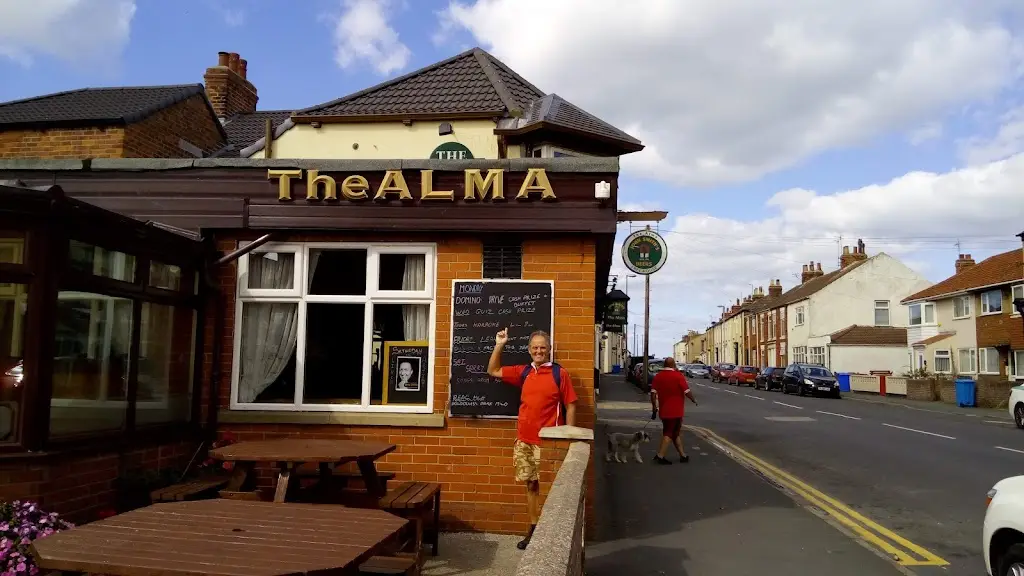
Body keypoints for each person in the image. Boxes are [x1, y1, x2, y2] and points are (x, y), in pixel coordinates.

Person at [488, 327, 578, 550]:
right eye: (535, 347)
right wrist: (500, 344)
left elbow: (571, 405)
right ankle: (533, 529)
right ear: (529, 350)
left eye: (543, 348)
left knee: (552, 488)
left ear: (549, 350)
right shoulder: (524, 372)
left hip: (548, 443)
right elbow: (493, 370)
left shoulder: (560, 374)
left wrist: (568, 435)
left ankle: (553, 534)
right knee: (531, 486)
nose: (539, 351)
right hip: (524, 441)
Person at [649, 356, 697, 464]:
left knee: (674, 433)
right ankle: (660, 456)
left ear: (664, 365)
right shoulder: (678, 376)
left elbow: (653, 394)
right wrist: (694, 400)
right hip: (676, 411)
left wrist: (654, 407)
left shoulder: (658, 376)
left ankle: (682, 456)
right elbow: (686, 391)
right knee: (669, 433)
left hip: (664, 411)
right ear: (674, 365)